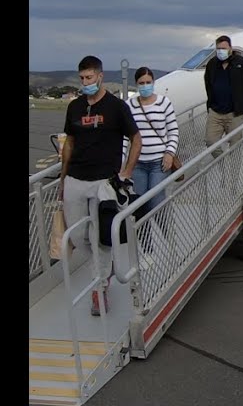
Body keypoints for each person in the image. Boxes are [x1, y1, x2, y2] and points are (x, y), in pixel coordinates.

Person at [60, 55, 141, 316]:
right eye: (82, 78)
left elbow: (136, 138)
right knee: (78, 236)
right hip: (75, 179)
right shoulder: (75, 107)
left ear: (100, 76)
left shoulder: (116, 107)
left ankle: (100, 288)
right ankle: (104, 269)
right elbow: (70, 142)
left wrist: (126, 173)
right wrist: (63, 178)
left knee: (101, 237)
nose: (85, 83)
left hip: (103, 182)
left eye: (89, 78)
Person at [124, 67, 179, 209]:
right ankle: (148, 226)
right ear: (136, 84)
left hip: (159, 162)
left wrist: (170, 153)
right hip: (137, 163)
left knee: (156, 201)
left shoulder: (164, 102)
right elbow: (124, 136)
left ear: (153, 82)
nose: (145, 86)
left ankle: (165, 224)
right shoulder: (129, 105)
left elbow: (173, 131)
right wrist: (122, 160)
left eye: (148, 82)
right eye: (141, 83)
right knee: (140, 203)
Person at [203, 35, 243, 155]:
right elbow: (208, 85)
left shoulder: (242, 63)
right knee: (210, 141)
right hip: (216, 112)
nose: (221, 51)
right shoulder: (212, 64)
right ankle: (222, 161)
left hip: (236, 113)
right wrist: (209, 105)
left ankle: (233, 167)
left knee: (235, 145)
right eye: (218, 49)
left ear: (230, 48)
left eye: (224, 48)